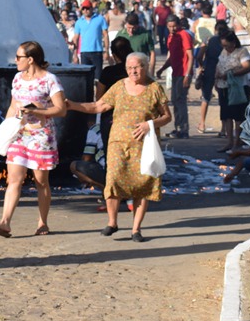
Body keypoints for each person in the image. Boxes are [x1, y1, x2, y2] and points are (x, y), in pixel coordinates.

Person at [67, 53, 172, 242]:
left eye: (137, 67)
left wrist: (150, 124)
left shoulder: (154, 88)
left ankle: (136, 229)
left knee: (142, 185)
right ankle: (112, 222)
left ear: (145, 66)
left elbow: (167, 117)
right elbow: (98, 107)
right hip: (117, 143)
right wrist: (73, 105)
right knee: (113, 179)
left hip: (144, 146)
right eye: (130, 68)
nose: (133, 71)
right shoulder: (118, 86)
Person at [0, 41, 67, 238]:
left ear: (30, 59)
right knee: (14, 179)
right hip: (20, 134)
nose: (15, 60)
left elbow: (61, 109)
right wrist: (6, 128)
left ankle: (43, 222)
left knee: (41, 181)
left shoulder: (50, 80)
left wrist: (38, 110)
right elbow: (13, 105)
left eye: (18, 57)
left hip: (41, 136)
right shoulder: (17, 78)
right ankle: (5, 222)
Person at [156, 14, 193, 138]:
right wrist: (162, 69)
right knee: (174, 100)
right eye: (170, 26)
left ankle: (184, 129)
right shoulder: (171, 37)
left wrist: (188, 74)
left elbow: (190, 56)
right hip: (175, 72)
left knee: (180, 100)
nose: (172, 29)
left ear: (179, 25)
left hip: (183, 73)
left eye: (174, 26)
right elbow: (172, 57)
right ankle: (178, 127)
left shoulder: (184, 35)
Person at [215, 30, 250, 151]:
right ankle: (229, 142)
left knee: (238, 116)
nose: (225, 48)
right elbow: (219, 65)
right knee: (227, 116)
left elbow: (247, 67)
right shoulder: (223, 52)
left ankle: (237, 142)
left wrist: (231, 74)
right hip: (223, 87)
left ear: (233, 43)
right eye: (223, 45)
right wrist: (217, 79)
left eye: (227, 45)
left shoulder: (242, 52)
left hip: (238, 88)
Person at [97, 36, 133, 150]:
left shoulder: (107, 72)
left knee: (110, 151)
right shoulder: (134, 72)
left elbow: (99, 98)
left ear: (114, 55)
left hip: (110, 117)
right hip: (132, 116)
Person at [194, 21, 230, 134]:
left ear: (215, 29)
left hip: (209, 70)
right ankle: (224, 128)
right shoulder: (228, 41)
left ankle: (202, 124)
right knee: (223, 99)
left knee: (206, 98)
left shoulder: (209, 40)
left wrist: (201, 66)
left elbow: (199, 56)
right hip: (223, 71)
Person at [71, 0, 109, 84]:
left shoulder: (100, 19)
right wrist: (75, 55)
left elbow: (105, 34)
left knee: (98, 78)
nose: (85, 10)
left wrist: (106, 51)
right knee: (86, 78)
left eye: (87, 8)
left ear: (91, 8)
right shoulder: (79, 22)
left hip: (97, 51)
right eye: (83, 9)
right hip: (84, 52)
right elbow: (76, 38)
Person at [116, 12, 156, 80]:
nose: (131, 30)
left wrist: (151, 71)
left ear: (138, 25)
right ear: (126, 24)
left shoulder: (145, 35)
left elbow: (152, 53)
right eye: (129, 28)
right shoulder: (120, 35)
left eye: (133, 28)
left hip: (140, 70)